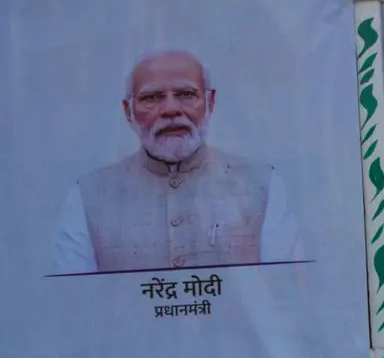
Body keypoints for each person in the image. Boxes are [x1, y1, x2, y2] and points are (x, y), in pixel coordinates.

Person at [53, 49, 302, 275]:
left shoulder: (262, 185)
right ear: (128, 111)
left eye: (185, 94)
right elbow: (74, 305)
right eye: (152, 98)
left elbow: (286, 294)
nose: (171, 109)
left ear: (210, 102)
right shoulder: (88, 196)